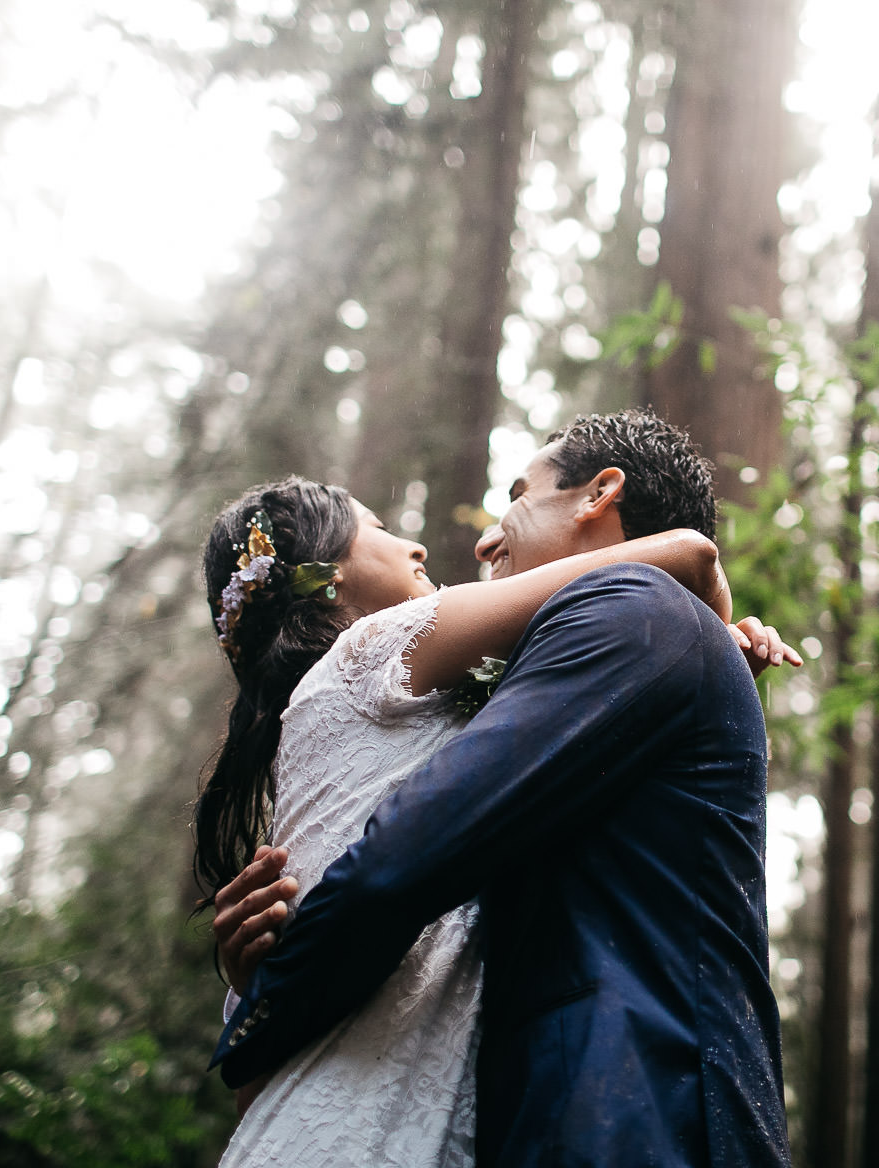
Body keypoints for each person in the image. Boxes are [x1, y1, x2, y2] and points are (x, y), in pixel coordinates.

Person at [208, 411, 795, 1167]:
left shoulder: (638, 610)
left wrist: (258, 1007)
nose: (474, 543)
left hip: (642, 1112)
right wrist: (708, 598)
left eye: (515, 498)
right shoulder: (425, 670)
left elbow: (404, 859)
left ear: (598, 496)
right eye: (380, 527)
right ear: (328, 581)